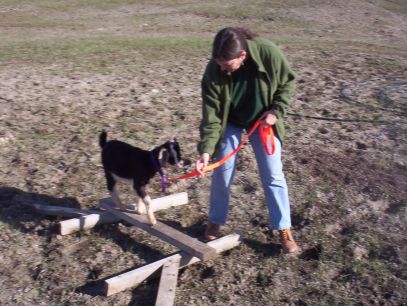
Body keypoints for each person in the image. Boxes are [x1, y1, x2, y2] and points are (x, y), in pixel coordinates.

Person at [195, 27, 300, 253]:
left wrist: (276, 111)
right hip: (229, 121)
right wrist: (206, 150)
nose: (222, 68)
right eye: (218, 62)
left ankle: (284, 229)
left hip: (262, 120)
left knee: (272, 173)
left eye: (227, 64)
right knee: (222, 169)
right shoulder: (214, 69)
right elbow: (211, 114)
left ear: (242, 55)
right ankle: (215, 220)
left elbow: (287, 82)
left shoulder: (268, 53)